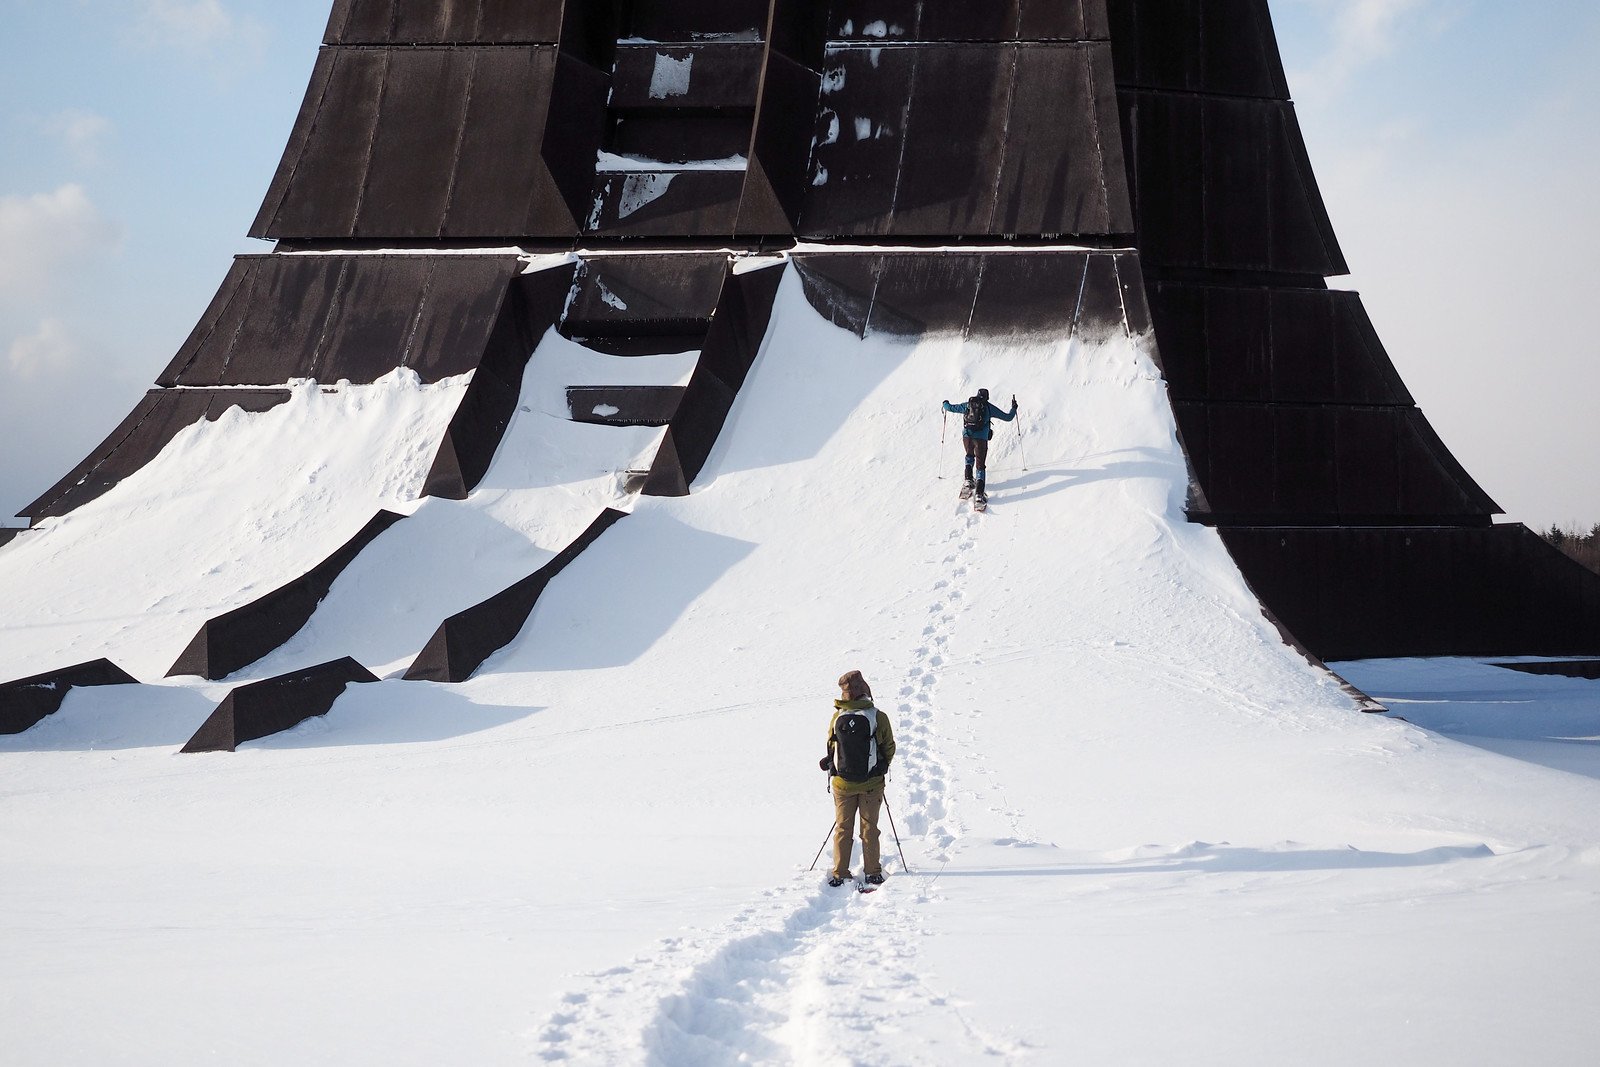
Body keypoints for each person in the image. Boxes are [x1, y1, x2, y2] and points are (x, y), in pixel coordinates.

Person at [818, 670, 896, 887]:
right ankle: (873, 873)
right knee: (869, 828)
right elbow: (889, 746)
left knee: (843, 828)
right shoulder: (878, 716)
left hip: (842, 784)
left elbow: (831, 744)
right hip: (871, 783)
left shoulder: (837, 717)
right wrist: (881, 766)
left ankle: (840, 873)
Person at [941, 388, 1018, 504]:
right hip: (981, 440)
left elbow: (951, 408)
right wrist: (1014, 408)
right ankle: (979, 495)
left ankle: (968, 481)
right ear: (987, 397)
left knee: (969, 456)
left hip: (967, 437)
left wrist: (945, 403)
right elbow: (1008, 417)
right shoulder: (989, 407)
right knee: (980, 465)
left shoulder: (968, 405)